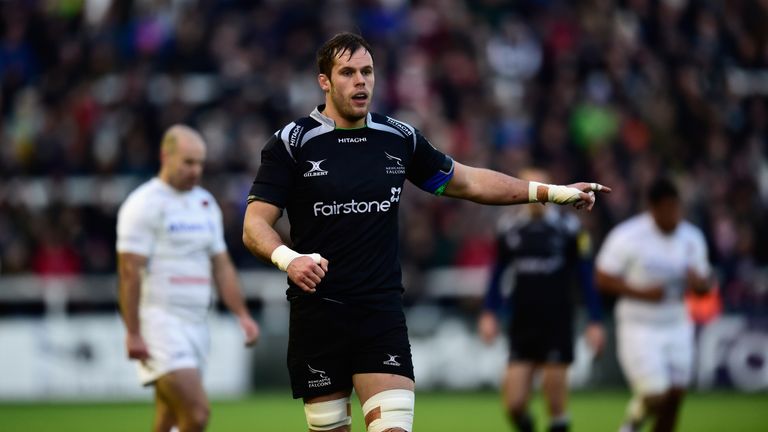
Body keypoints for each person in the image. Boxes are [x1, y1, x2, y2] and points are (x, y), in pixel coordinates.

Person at [241, 32, 609, 432]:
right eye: (347, 73)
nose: (360, 81)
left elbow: (467, 182)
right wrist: (288, 259)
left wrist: (552, 192)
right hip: (318, 317)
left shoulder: (398, 138)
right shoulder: (291, 144)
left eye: (367, 71)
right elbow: (254, 225)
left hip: (379, 314)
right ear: (324, 81)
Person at [117, 125, 260, 432]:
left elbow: (221, 265)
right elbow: (129, 272)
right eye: (188, 162)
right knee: (196, 414)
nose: (196, 170)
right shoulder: (143, 204)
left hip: (197, 323)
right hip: (160, 322)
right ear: (164, 156)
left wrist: (242, 314)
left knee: (169, 418)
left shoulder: (205, 203)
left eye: (200, 163)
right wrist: (133, 331)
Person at [478, 168, 605, 432]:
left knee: (555, 403)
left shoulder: (569, 228)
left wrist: (595, 320)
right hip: (522, 321)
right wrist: (490, 312)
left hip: (556, 321)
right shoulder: (510, 228)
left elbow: (585, 276)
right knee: (514, 404)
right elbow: (497, 274)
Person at [595, 177, 711, 432]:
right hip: (639, 326)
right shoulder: (628, 236)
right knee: (655, 393)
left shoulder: (692, 238)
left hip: (677, 322)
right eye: (667, 209)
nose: (673, 215)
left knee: (675, 397)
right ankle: (633, 420)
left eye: (676, 208)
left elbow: (704, 287)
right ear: (653, 208)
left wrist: (700, 285)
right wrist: (640, 292)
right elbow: (602, 278)